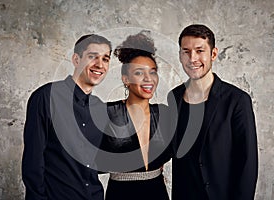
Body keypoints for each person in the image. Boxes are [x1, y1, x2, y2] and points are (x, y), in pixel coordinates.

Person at [168, 24, 258, 200]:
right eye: (186, 51)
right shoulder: (174, 97)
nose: (192, 58)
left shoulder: (237, 100)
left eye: (199, 50)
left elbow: (247, 163)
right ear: (180, 55)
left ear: (213, 54)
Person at [22, 34, 112, 200]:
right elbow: (33, 162)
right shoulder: (45, 97)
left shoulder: (100, 108)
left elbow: (98, 162)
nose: (100, 64)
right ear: (76, 60)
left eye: (105, 59)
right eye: (92, 57)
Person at [97, 31, 173, 200]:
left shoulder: (165, 114)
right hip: (121, 194)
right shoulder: (107, 112)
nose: (148, 79)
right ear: (126, 79)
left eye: (152, 72)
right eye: (139, 73)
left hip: (157, 193)